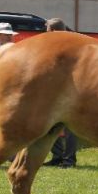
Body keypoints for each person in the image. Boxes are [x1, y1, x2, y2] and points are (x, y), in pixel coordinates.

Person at [41, 18, 78, 168]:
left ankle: (69, 160)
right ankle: (57, 156)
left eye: (47, 29)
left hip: (70, 90)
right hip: (57, 90)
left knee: (71, 128)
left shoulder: (69, 43)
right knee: (50, 125)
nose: (45, 32)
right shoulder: (65, 41)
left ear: (52, 30)